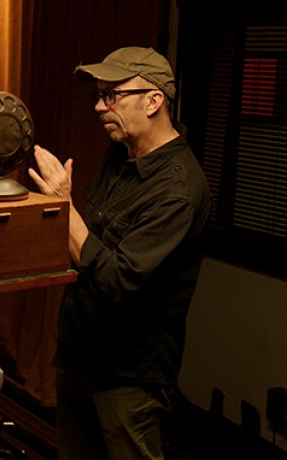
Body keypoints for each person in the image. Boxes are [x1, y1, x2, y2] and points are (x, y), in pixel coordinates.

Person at [28, 47, 211, 460]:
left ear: (153, 100)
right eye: (98, 95)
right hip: (79, 355)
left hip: (129, 376)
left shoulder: (178, 192)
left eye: (112, 95)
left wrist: (62, 206)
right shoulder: (122, 151)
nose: (98, 106)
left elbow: (116, 279)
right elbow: (93, 244)